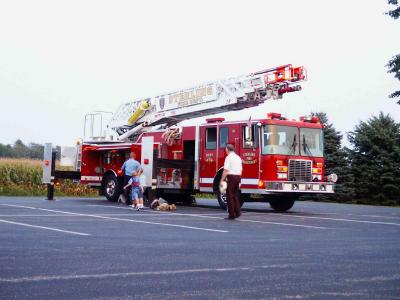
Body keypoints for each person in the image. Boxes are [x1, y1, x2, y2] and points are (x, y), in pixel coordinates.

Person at [220, 144, 243, 220]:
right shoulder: (238, 157)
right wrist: (239, 177)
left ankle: (231, 215)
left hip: (231, 177)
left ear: (227, 149)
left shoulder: (228, 158)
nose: (225, 150)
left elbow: (226, 170)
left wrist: (222, 180)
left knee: (229, 196)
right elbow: (241, 169)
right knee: (235, 196)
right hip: (238, 177)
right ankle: (237, 212)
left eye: (225, 149)